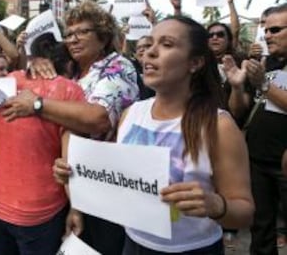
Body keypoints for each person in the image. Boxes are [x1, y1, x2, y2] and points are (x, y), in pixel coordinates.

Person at [54, 15, 254, 254]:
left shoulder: (219, 126)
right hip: (132, 244)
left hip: (193, 249)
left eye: (167, 44)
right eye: (149, 44)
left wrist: (216, 205)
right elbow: (119, 182)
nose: (149, 53)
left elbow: (244, 213)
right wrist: (77, 175)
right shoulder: (130, 115)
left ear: (195, 62)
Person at [2, 0, 139, 254]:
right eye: (68, 34)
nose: (73, 39)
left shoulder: (118, 67)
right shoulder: (71, 71)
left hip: (105, 188)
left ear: (104, 36)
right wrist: (36, 65)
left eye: (82, 32)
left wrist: (39, 104)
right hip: (69, 186)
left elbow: (98, 118)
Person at [0, 33, 85, 255]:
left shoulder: (8, 81)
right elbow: (69, 163)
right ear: (68, 63)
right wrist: (76, 209)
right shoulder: (70, 91)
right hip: (39, 209)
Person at [242, 4, 287, 255]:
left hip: (284, 162)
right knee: (261, 229)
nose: (268, 35)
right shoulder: (264, 63)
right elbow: (244, 107)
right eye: (266, 30)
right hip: (257, 160)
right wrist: (239, 87)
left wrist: (265, 86)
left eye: (276, 29)